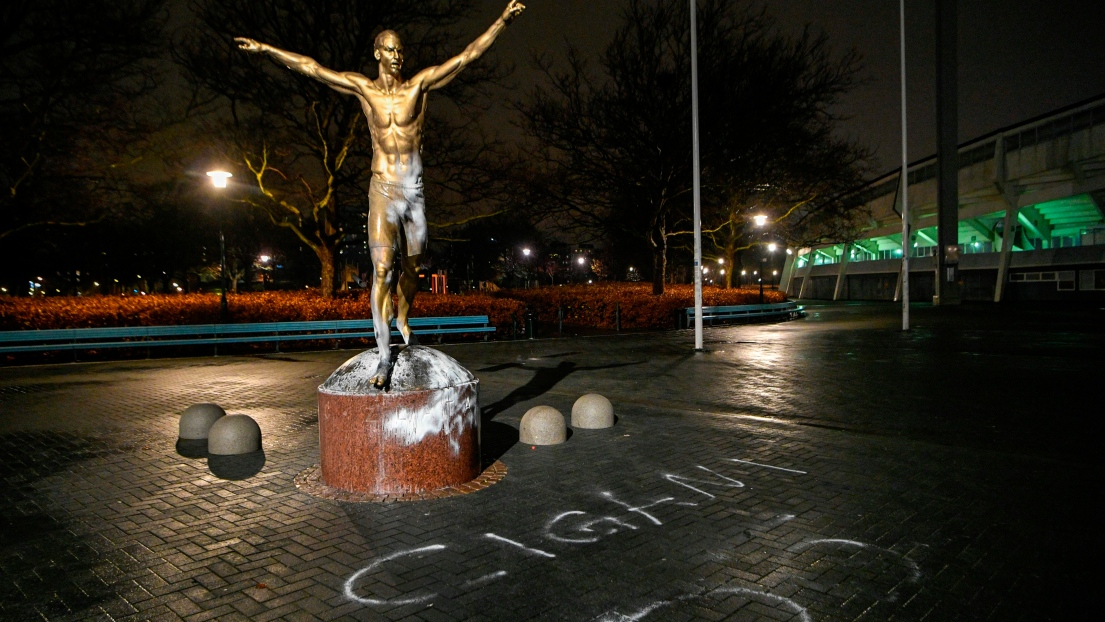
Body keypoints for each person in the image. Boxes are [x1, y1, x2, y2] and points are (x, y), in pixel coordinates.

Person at [236, 1, 525, 388]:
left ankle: (403, 313)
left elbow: (466, 58)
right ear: (377, 52)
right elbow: (312, 68)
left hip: (414, 191)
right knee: (383, 269)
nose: (396, 56)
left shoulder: (418, 86)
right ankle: (385, 356)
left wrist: (502, 20)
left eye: (400, 50)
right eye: (389, 49)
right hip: (382, 188)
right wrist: (267, 50)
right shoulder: (364, 89)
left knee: (414, 266)